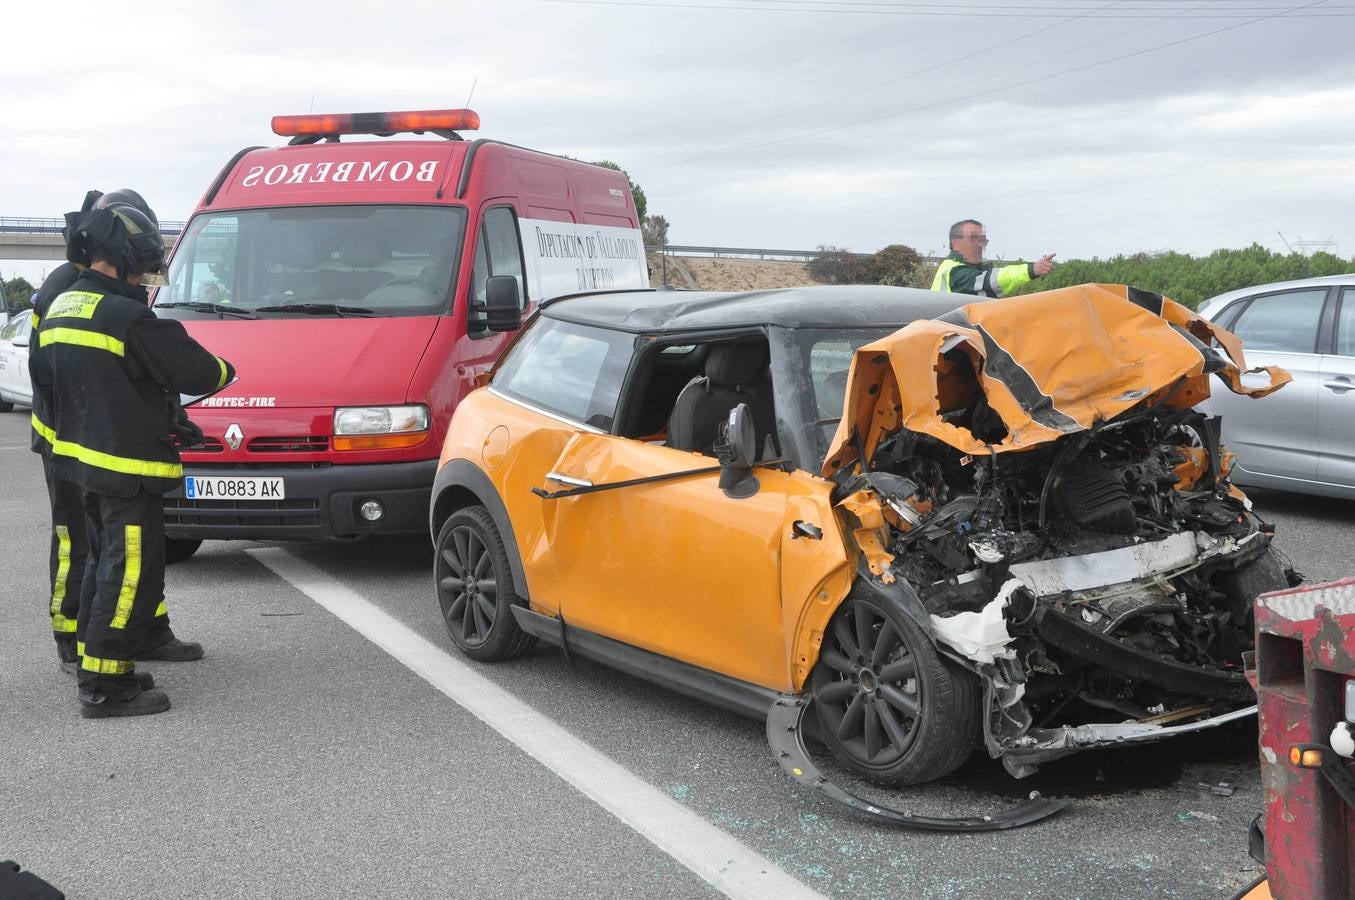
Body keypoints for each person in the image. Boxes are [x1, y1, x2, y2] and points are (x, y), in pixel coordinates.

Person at [29, 202, 235, 717]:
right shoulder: (128, 316)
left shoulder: (62, 305)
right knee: (128, 574)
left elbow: (67, 382)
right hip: (127, 469)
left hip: (83, 464)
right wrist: (224, 369)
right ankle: (105, 688)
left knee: (101, 566)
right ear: (124, 255)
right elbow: (201, 373)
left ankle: (103, 662)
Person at [30, 189, 169, 687]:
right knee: (81, 541)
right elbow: (50, 373)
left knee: (129, 544)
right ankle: (75, 639)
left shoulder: (107, 283)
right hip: (68, 437)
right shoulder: (66, 287)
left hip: (96, 433)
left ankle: (147, 629)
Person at [931, 219, 1056, 297]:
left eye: (983, 240)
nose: (980, 244)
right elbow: (990, 281)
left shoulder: (956, 268)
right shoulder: (955, 272)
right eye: (973, 238)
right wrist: (1031, 270)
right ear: (955, 243)